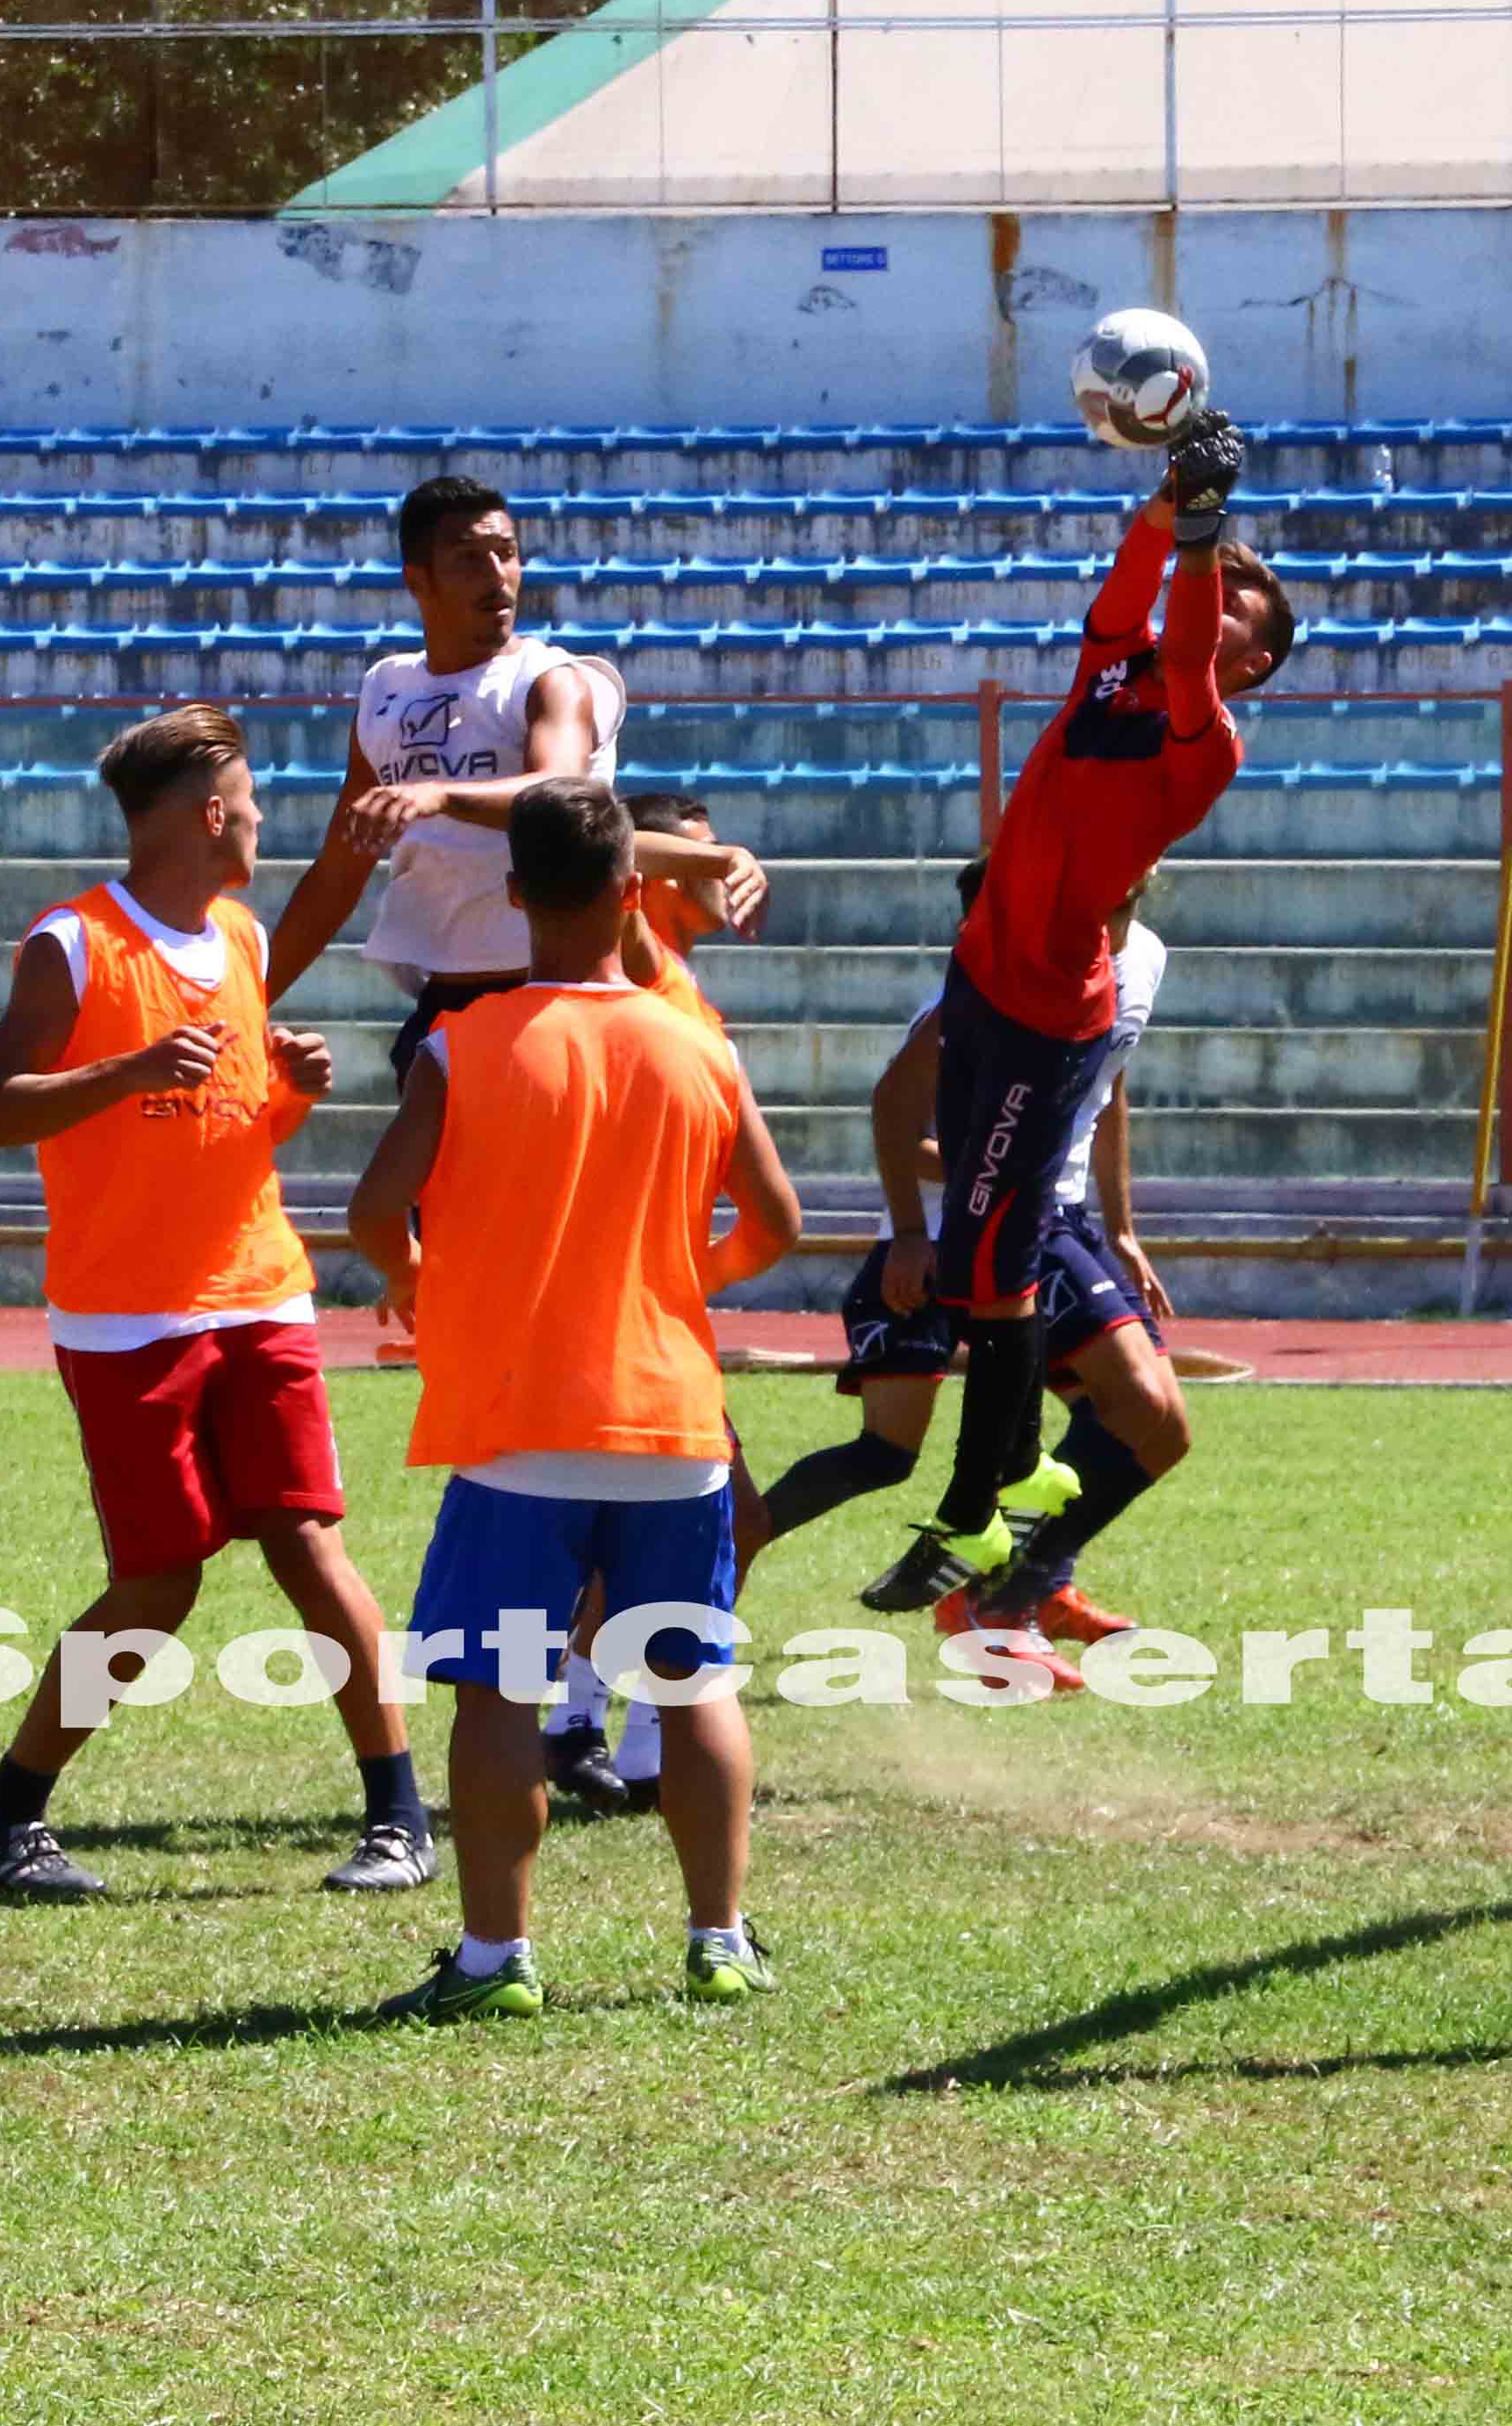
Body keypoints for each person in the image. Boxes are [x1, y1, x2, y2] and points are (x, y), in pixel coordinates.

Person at [0, 702, 428, 1901]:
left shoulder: (245, 943)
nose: (261, 821)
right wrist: (123, 1069)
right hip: (127, 1315)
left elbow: (230, 1128)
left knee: (309, 1542)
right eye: (253, 803)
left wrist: (293, 1095)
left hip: (260, 1291)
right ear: (211, 815)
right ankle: (5, 1815)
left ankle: (398, 1816)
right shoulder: (72, 943)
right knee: (159, 1579)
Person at [347, 775, 802, 2024]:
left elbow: (373, 1210)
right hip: (669, 1417)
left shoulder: (463, 1041)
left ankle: (496, 1960)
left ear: (510, 897)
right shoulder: (693, 1038)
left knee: (499, 1689)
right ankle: (717, 1939)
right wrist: (683, 1279)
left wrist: (419, 1282)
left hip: (520, 1424)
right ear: (628, 893)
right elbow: (776, 1221)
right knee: (690, 1676)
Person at [860, 418, 1288, 1612]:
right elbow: (1130, 588)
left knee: (994, 1273)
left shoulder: (1205, 735)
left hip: (1042, 1010)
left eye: (1248, 599)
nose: (1224, 590)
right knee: (989, 1277)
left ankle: (978, 1520)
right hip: (987, 980)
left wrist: (1201, 538)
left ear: (1251, 661)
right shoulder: (1112, 666)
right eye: (1227, 574)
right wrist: (1168, 507)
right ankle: (996, 1513)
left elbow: (1192, 640)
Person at [758, 869, 1191, 1686]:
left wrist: (1124, 1228)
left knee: (1155, 1426)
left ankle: (1024, 1584)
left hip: (1058, 1216)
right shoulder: (995, 983)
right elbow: (895, 1111)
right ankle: (993, 1596)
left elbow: (1109, 1084)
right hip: (986, 1220)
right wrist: (914, 1233)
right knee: (891, 1450)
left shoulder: (1146, 959)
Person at [265, 476, 766, 1077]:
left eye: (505, 553)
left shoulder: (551, 680)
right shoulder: (385, 691)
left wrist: (438, 792)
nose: (496, 574)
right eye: (469, 559)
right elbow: (337, 873)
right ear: (417, 580)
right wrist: (252, 1001)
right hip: (447, 1007)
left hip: (562, 1001)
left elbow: (559, 791)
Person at [535, 789, 769, 1812]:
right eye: (695, 855)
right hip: (616, 1299)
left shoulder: (680, 980)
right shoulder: (632, 950)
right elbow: (603, 857)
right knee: (669, 1522)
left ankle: (608, 1728)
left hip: (646, 1291)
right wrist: (705, 859)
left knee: (688, 1525)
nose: (717, 873)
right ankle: (589, 1723)